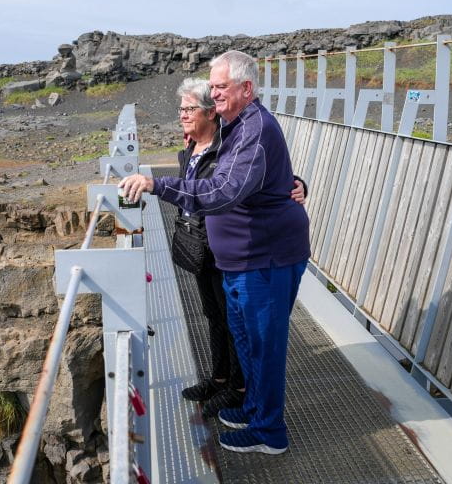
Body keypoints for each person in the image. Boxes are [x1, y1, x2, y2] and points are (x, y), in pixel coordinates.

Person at [120, 51, 310, 456]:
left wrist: (157, 186)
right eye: (212, 87)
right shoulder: (234, 125)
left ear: (246, 88)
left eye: (220, 87)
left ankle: (269, 431)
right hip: (239, 260)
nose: (214, 94)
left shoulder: (254, 128)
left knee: (265, 346)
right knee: (247, 344)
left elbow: (225, 191)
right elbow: (265, 175)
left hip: (266, 257)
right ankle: (254, 408)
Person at [172, 78, 307, 420]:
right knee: (214, 316)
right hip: (201, 248)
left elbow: (255, 180)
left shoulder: (228, 143)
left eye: (189, 109)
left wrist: (298, 184)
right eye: (181, 109)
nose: (183, 116)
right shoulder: (192, 148)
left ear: (209, 113)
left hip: (231, 250)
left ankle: (240, 389)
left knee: (239, 327)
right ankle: (219, 379)